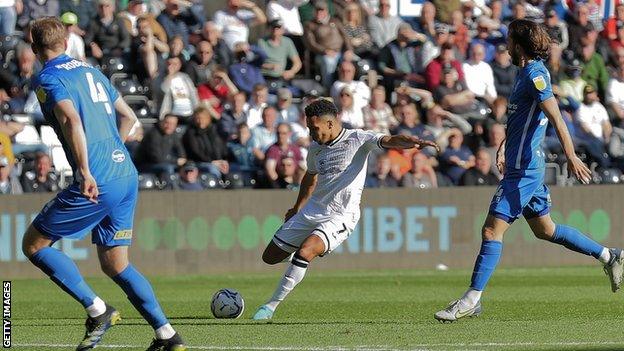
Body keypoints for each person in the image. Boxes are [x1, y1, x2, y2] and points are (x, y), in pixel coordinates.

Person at [434, 19, 624, 323]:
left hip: (525, 169)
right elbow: (522, 119)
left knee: (491, 230)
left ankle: (471, 299)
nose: (506, 45)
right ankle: (608, 255)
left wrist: (571, 155)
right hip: (520, 163)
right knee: (545, 229)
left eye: (509, 40)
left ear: (519, 45)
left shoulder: (535, 74)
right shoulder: (524, 73)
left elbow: (557, 118)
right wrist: (503, 145)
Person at [22, 17, 185, 350]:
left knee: (34, 245)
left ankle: (98, 310)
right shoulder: (90, 71)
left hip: (98, 178)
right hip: (125, 173)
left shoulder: (49, 77)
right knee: (115, 263)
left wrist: (85, 169)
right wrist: (114, 153)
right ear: (66, 42)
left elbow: (70, 118)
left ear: (35, 47)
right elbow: (130, 116)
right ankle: (167, 335)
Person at [252, 98, 439, 320]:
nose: (311, 133)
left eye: (315, 128)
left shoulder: (358, 139)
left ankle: (270, 306)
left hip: (341, 215)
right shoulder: (315, 148)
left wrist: (412, 141)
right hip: (312, 211)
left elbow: (389, 140)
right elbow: (310, 178)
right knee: (270, 257)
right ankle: (300, 252)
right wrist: (296, 208)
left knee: (306, 251)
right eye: (309, 129)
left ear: (330, 124)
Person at [183, 106, 230, 178]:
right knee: (213, 170)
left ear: (208, 118)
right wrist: (212, 162)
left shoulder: (214, 130)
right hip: (199, 162)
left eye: (203, 118)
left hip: (216, 161)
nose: (200, 121)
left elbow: (220, 148)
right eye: (198, 118)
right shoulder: (191, 132)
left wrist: (222, 161)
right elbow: (196, 152)